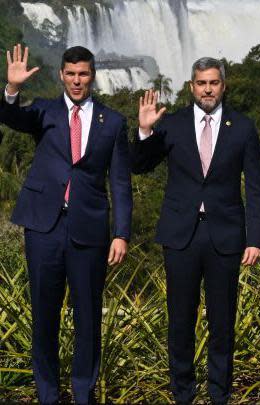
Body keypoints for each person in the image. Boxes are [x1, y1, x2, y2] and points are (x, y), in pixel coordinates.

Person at [131, 57, 260, 404]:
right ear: (191, 86)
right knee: (180, 320)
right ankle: (183, 393)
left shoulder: (243, 127)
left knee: (222, 323)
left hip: (225, 237)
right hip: (180, 237)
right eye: (201, 83)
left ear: (224, 85)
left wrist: (256, 238)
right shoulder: (171, 124)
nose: (207, 89)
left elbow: (255, 187)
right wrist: (145, 132)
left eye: (214, 82)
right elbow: (140, 166)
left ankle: (219, 394)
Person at [1, 44, 131, 404]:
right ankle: (47, 394)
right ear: (61, 74)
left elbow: (120, 182)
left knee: (88, 316)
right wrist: (12, 90)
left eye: (84, 74)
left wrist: (121, 233)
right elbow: (11, 117)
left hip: (89, 230)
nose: (77, 81)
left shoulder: (113, 121)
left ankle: (83, 393)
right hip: (43, 227)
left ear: (92, 76)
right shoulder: (43, 110)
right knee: (44, 314)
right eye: (71, 74)